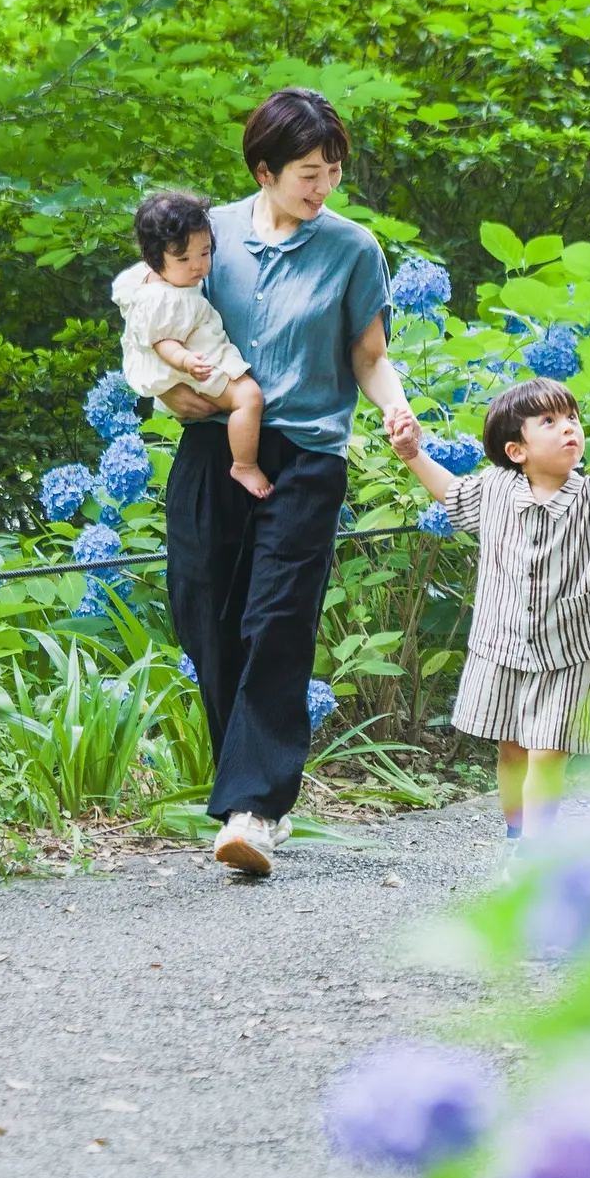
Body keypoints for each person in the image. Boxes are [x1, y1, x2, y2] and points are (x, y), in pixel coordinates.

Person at [160, 88, 419, 877]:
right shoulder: (210, 236)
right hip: (213, 446)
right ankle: (242, 781)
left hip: (307, 455)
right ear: (264, 169)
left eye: (333, 170)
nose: (324, 186)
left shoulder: (351, 248)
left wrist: (398, 409)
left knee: (276, 618)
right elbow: (158, 324)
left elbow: (368, 356)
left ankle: (254, 809)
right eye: (309, 171)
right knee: (203, 608)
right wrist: (167, 390)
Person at [401, 377, 590, 838]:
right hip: (501, 644)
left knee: (548, 750)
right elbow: (451, 493)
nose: (570, 429)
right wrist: (410, 453)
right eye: (549, 421)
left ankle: (535, 849)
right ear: (517, 450)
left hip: (569, 650)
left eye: (572, 419)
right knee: (513, 750)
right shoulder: (496, 489)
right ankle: (516, 836)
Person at [113, 190, 272, 500]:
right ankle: (244, 464)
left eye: (205, 252)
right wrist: (187, 362)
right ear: (154, 260)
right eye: (183, 258)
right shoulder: (162, 298)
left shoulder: (161, 280)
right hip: (198, 363)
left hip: (197, 359)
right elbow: (162, 343)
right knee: (249, 397)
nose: (198, 265)